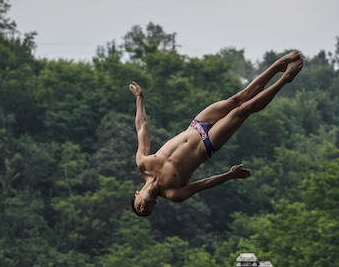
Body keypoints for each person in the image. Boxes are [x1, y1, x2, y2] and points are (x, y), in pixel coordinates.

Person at [129, 51, 303, 216]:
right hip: (208, 144)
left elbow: (142, 128)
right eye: (146, 210)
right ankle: (285, 79)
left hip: (196, 126)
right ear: (154, 205)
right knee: (241, 111)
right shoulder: (173, 193)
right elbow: (204, 183)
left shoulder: (143, 163)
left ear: (137, 194)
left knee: (237, 99)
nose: (143, 207)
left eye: (139, 206)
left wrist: (139, 99)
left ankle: (278, 64)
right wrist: (230, 175)